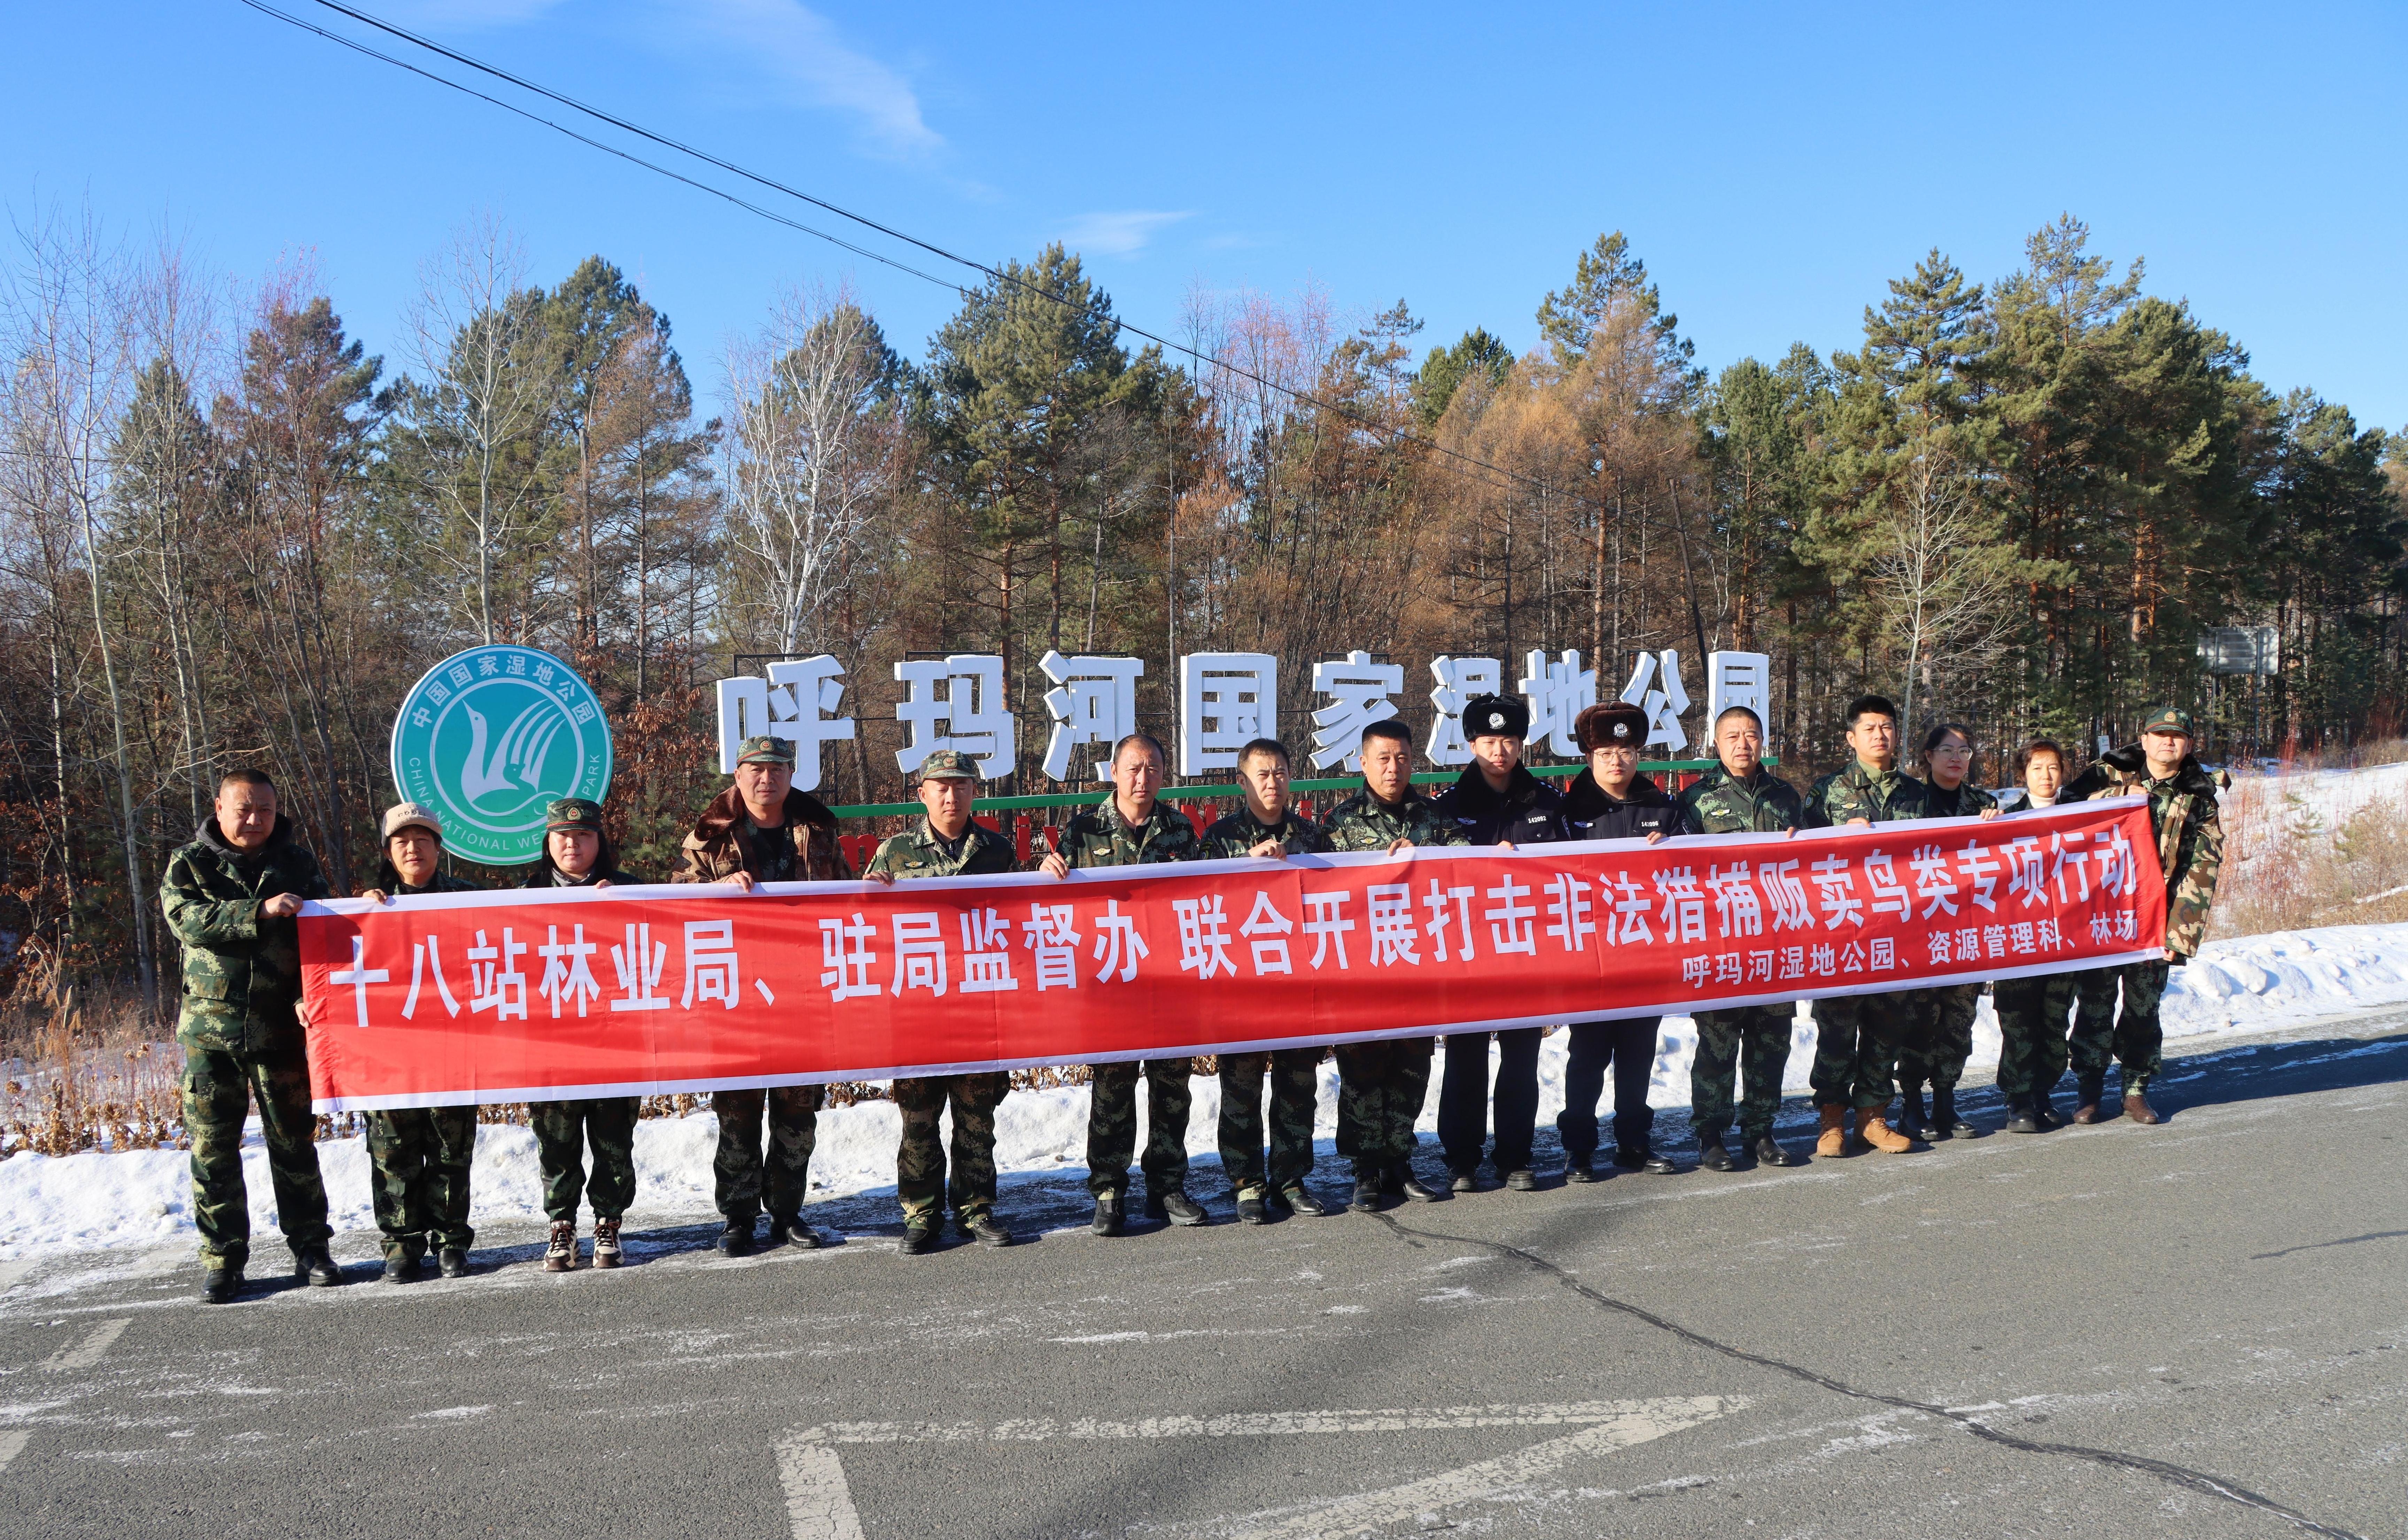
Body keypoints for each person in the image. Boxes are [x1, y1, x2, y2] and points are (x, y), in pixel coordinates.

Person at [162, 768, 341, 1304]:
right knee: (214, 1150)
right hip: (211, 1035)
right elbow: (187, 920)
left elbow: (322, 935)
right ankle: (224, 1260)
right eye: (244, 808)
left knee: (294, 1144)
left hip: (281, 1029)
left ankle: (311, 1248)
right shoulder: (190, 863)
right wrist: (258, 910)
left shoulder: (297, 863)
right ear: (219, 808)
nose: (255, 819)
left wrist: (312, 993)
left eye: (265, 808)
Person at [675, 733, 852, 1255]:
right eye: (756, 769)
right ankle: (738, 1216)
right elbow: (675, 902)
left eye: (776, 770)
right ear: (738, 775)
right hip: (737, 998)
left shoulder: (817, 831)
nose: (766, 779)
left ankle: (787, 1212)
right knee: (738, 1113)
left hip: (803, 995)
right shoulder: (707, 838)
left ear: (791, 776)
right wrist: (714, 891)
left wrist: (874, 888)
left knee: (797, 1115)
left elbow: (843, 895)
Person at [1041, 732, 1207, 1237]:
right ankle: (1109, 1190)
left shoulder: (1179, 829)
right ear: (1113, 772)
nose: (1142, 777)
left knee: (1171, 1088)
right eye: (1133, 768)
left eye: (1152, 768)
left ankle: (1167, 1184)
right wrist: (1044, 871)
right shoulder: (1084, 830)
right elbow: (1050, 900)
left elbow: (1203, 896)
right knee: (1112, 1089)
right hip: (1109, 983)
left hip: (1168, 984)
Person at [861, 749, 1019, 1252]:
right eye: (941, 786)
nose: (951, 795)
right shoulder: (894, 854)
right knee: (919, 1119)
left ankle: (976, 1207)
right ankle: (921, 1212)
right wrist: (868, 894)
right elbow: (866, 929)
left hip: (978, 1008)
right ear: (923, 793)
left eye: (961, 785)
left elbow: (1024, 923)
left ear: (975, 791)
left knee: (977, 1120)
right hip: (919, 1011)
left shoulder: (998, 851)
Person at [1319, 718, 1466, 1212]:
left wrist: (1424, 855)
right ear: (1362, 763)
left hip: (1416, 965)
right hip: (1362, 969)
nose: (1392, 767)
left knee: (1411, 1066)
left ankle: (1399, 1161)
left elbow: (1466, 864)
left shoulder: (1433, 818)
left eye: (1402, 758)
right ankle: (1365, 1169)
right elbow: (1320, 891)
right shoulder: (1340, 823)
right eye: (1382, 758)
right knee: (1361, 1069)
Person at [1431, 694, 1572, 1193]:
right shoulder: (1447, 808)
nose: (1499, 750)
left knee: (1520, 1058)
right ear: (1471, 744)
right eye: (1489, 740)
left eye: (1509, 740)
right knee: (1465, 1059)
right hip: (1468, 955)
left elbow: (1573, 872)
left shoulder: (1547, 804)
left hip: (1528, 951)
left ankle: (1514, 1155)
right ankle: (1461, 1159)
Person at [2060, 707, 2226, 1125]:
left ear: (2188, 744)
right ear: (2144, 739)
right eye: (2160, 733)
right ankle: (2088, 1089)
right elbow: (2063, 812)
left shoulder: (2198, 795)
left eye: (2177, 735)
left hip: (2155, 917)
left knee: (2143, 1008)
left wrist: (2179, 935)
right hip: (2101, 912)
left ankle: (2135, 1089)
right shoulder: (2107, 774)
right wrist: (2117, 797)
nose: (2168, 741)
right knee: (2094, 1003)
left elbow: (2202, 867)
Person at [1198, 737, 1331, 1223]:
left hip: (1299, 982)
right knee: (1242, 1088)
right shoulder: (1220, 838)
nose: (1272, 782)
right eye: (1262, 774)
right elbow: (1200, 904)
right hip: (1244, 985)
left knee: (1298, 1085)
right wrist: (1244, 866)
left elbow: (1338, 898)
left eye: (1280, 772)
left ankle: (1290, 1179)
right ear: (1242, 781)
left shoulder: (1313, 837)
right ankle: (1247, 1183)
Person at [1676, 706, 1810, 1172]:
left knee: (1770, 1044)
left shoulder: (1785, 797)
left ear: (1762, 741)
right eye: (1732, 735)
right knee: (1716, 1045)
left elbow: (1815, 866)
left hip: (1775, 944)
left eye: (1750, 735)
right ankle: (1710, 1134)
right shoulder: (1695, 800)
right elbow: (1679, 874)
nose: (1742, 744)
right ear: (1715, 743)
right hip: (1721, 945)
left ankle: (1760, 1130)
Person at [356, 803, 482, 1282]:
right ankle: (401, 1244)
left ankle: (451, 1240)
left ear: (438, 847)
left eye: (422, 840)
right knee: (393, 1150)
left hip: (452, 1044)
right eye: (402, 841)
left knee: (451, 1148)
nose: (413, 849)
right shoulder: (365, 907)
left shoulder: (469, 899)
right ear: (388, 851)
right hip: (389, 1050)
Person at [1556, 702, 1681, 1179]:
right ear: (1589, 755)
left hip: (1644, 955)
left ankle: (1633, 1142)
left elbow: (1695, 874)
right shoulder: (1567, 812)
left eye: (1626, 751)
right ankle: (1578, 1148)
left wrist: (1668, 855)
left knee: (1637, 1054)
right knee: (1587, 1057)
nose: (1617, 761)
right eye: (1606, 752)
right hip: (1590, 958)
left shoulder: (1662, 809)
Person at [1799, 695, 1925, 1158]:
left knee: (1886, 1026)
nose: (1879, 735)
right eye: (1869, 728)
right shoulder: (1826, 792)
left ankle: (1872, 1116)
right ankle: (1831, 1117)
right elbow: (1801, 860)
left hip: (1897, 931)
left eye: (1886, 726)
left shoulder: (1916, 793)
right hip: (1843, 931)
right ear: (1851, 738)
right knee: (1836, 1028)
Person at [522, 797, 645, 1272]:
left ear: (600, 841)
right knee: (556, 1140)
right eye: (562, 836)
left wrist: (623, 906)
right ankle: (562, 1225)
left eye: (583, 835)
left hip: (615, 1038)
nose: (572, 844)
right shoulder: (523, 895)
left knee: (613, 1137)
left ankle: (609, 1221)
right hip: (550, 1043)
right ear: (548, 842)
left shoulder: (630, 890)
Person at [1892, 723, 2002, 1141]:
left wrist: (1998, 826)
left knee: (1958, 1019)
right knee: (1918, 1021)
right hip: (1919, 932)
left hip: (1966, 931)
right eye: (1946, 749)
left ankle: (1945, 1102)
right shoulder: (1906, 804)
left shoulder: (1982, 804)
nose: (1956, 758)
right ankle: (1912, 1105)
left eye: (1964, 751)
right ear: (1928, 755)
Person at [1993, 738, 2079, 1133]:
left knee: (2054, 1020)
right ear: (2022, 773)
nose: (2046, 776)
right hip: (2018, 940)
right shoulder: (2006, 821)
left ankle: (2043, 1091)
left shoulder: (2082, 817)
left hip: (2064, 938)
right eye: (2037, 768)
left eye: (2053, 767)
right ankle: (2018, 1098)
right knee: (2018, 1021)